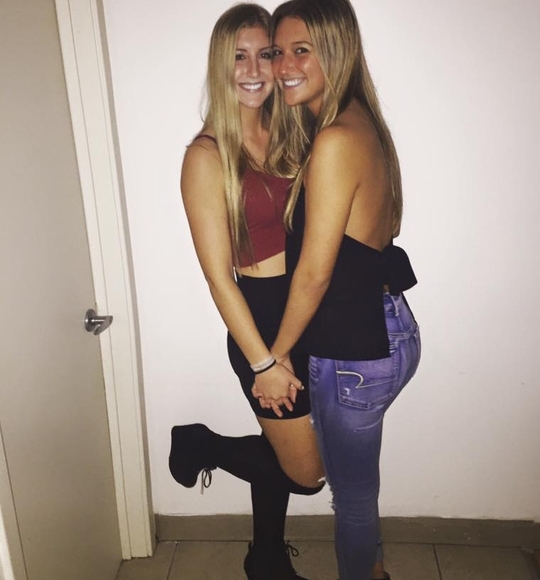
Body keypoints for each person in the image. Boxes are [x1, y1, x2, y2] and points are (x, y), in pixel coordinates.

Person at [252, 1, 421, 579]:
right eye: (279, 52)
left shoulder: (334, 140)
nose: (283, 66)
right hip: (384, 328)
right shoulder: (356, 123)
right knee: (352, 484)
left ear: (337, 51)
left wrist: (274, 357)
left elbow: (314, 274)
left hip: (355, 353)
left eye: (302, 51)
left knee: (351, 499)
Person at [169, 4, 324, 580]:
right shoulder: (207, 156)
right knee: (308, 473)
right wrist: (263, 362)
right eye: (240, 56)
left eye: (267, 54)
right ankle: (203, 444)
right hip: (260, 319)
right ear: (220, 64)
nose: (256, 69)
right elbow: (218, 276)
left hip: (311, 310)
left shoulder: (293, 132)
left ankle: (265, 558)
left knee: (282, 445)